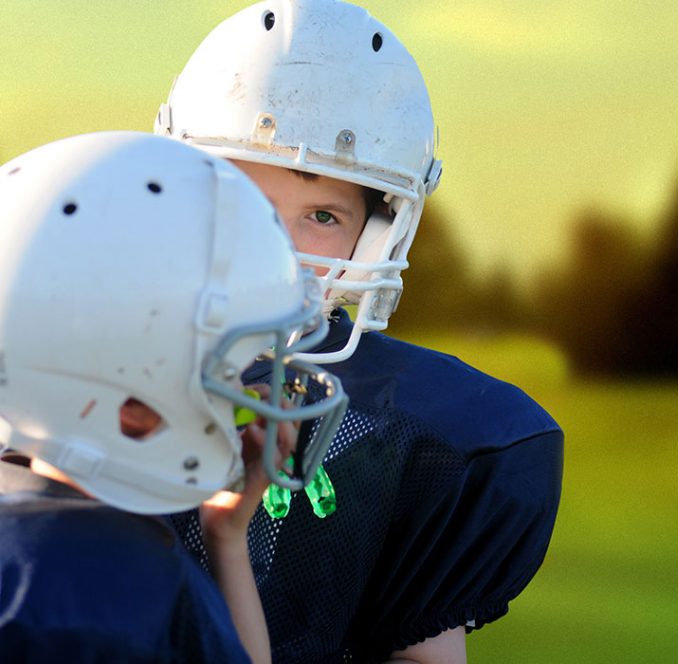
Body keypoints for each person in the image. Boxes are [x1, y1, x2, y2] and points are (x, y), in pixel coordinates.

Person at [155, 1, 564, 662]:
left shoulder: (405, 430)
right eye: (247, 204)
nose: (277, 245)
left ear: (377, 236)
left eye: (320, 214)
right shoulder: (92, 367)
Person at [0, 131, 349, 663]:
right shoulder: (122, 584)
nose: (252, 390)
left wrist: (225, 536)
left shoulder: (37, 538)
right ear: (133, 400)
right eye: (230, 367)